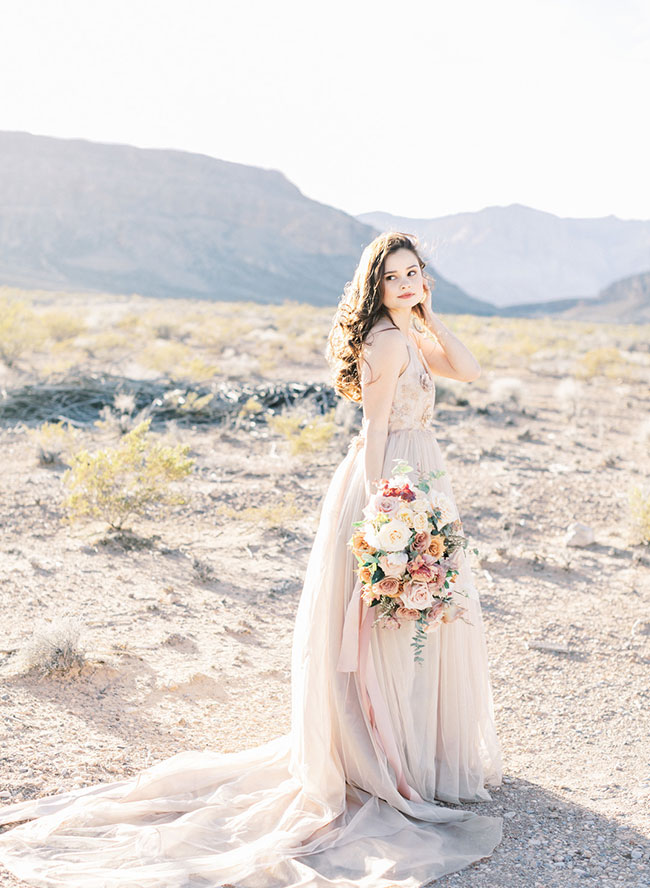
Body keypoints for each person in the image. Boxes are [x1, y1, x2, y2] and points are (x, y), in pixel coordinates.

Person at [0, 231, 503, 888]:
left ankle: (411, 753)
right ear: (375, 287)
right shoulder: (383, 340)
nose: (407, 284)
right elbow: (374, 430)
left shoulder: (409, 330)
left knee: (415, 620)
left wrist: (431, 317)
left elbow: (467, 368)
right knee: (385, 618)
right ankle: (385, 760)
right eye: (394, 278)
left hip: (422, 478)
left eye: (415, 274)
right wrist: (387, 514)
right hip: (395, 483)